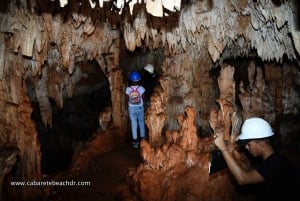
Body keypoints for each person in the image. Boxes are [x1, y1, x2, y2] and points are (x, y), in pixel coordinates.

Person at [214, 117, 295, 201]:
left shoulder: (275, 164)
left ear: (261, 143)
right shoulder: (273, 161)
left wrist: (223, 148)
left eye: (249, 144)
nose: (246, 147)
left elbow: (243, 179)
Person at [126, 71, 146, 148]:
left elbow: (126, 99)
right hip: (140, 108)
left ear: (131, 80)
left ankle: (135, 142)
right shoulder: (141, 88)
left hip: (131, 108)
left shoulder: (128, 89)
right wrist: (143, 104)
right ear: (139, 80)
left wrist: (127, 108)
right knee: (141, 123)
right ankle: (143, 140)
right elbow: (143, 98)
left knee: (134, 124)